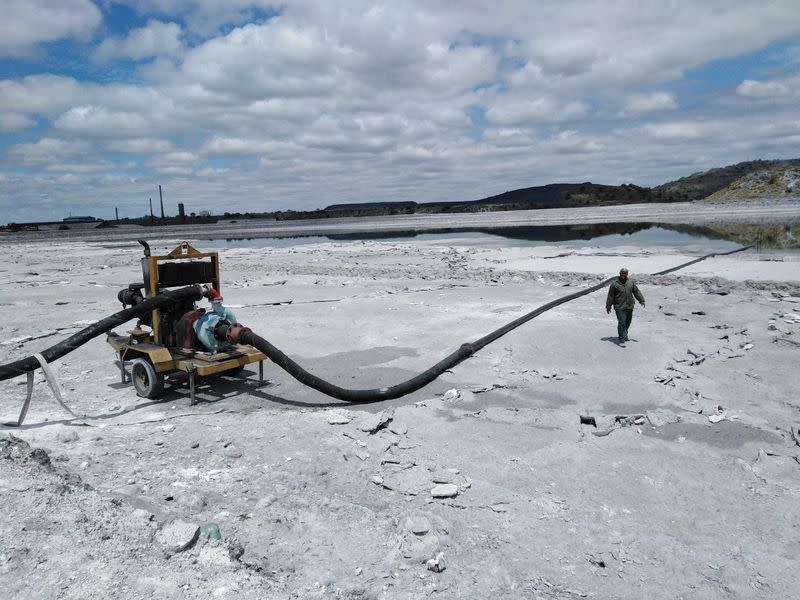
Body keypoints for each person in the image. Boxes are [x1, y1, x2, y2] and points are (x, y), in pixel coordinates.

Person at [605, 268, 645, 345]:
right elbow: (610, 296)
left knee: (628, 322)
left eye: (625, 273)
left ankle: (624, 333)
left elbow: (636, 292)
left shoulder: (631, 282)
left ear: (627, 274)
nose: (623, 274)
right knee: (622, 322)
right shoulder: (614, 284)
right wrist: (608, 306)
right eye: (622, 273)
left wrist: (641, 300)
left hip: (629, 306)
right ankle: (621, 337)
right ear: (620, 273)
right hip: (619, 306)